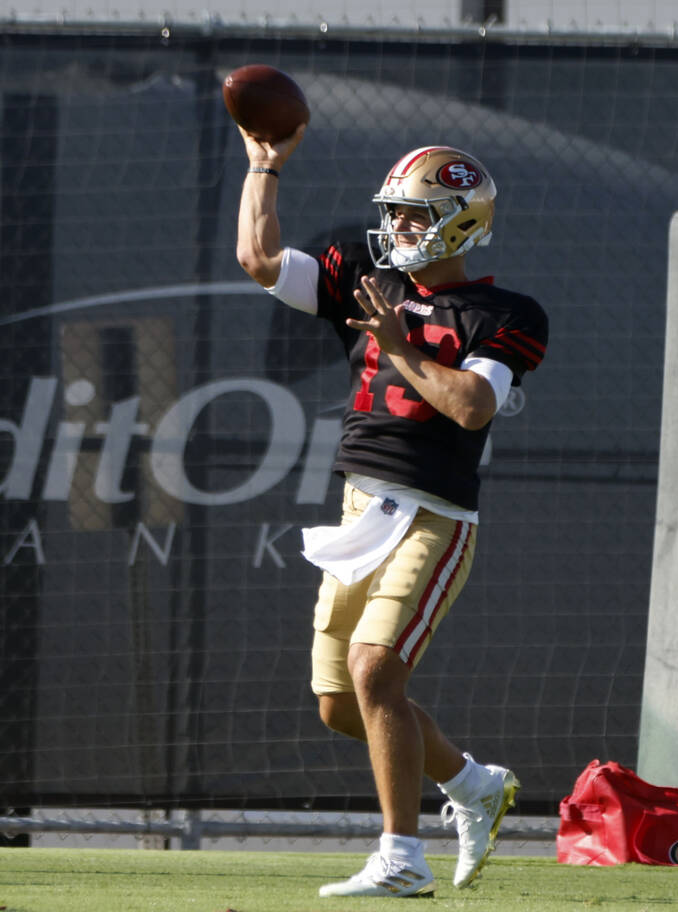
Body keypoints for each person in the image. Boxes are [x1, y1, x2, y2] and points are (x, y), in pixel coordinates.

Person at [236, 127, 549, 897]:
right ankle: (475, 784)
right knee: (341, 705)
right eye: (395, 214)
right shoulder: (366, 277)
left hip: (434, 516)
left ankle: (402, 860)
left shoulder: (505, 312)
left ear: (461, 221)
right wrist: (263, 166)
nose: (398, 228)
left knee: (376, 672)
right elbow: (260, 260)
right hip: (359, 508)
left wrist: (399, 344)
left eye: (414, 216)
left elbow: (471, 407)